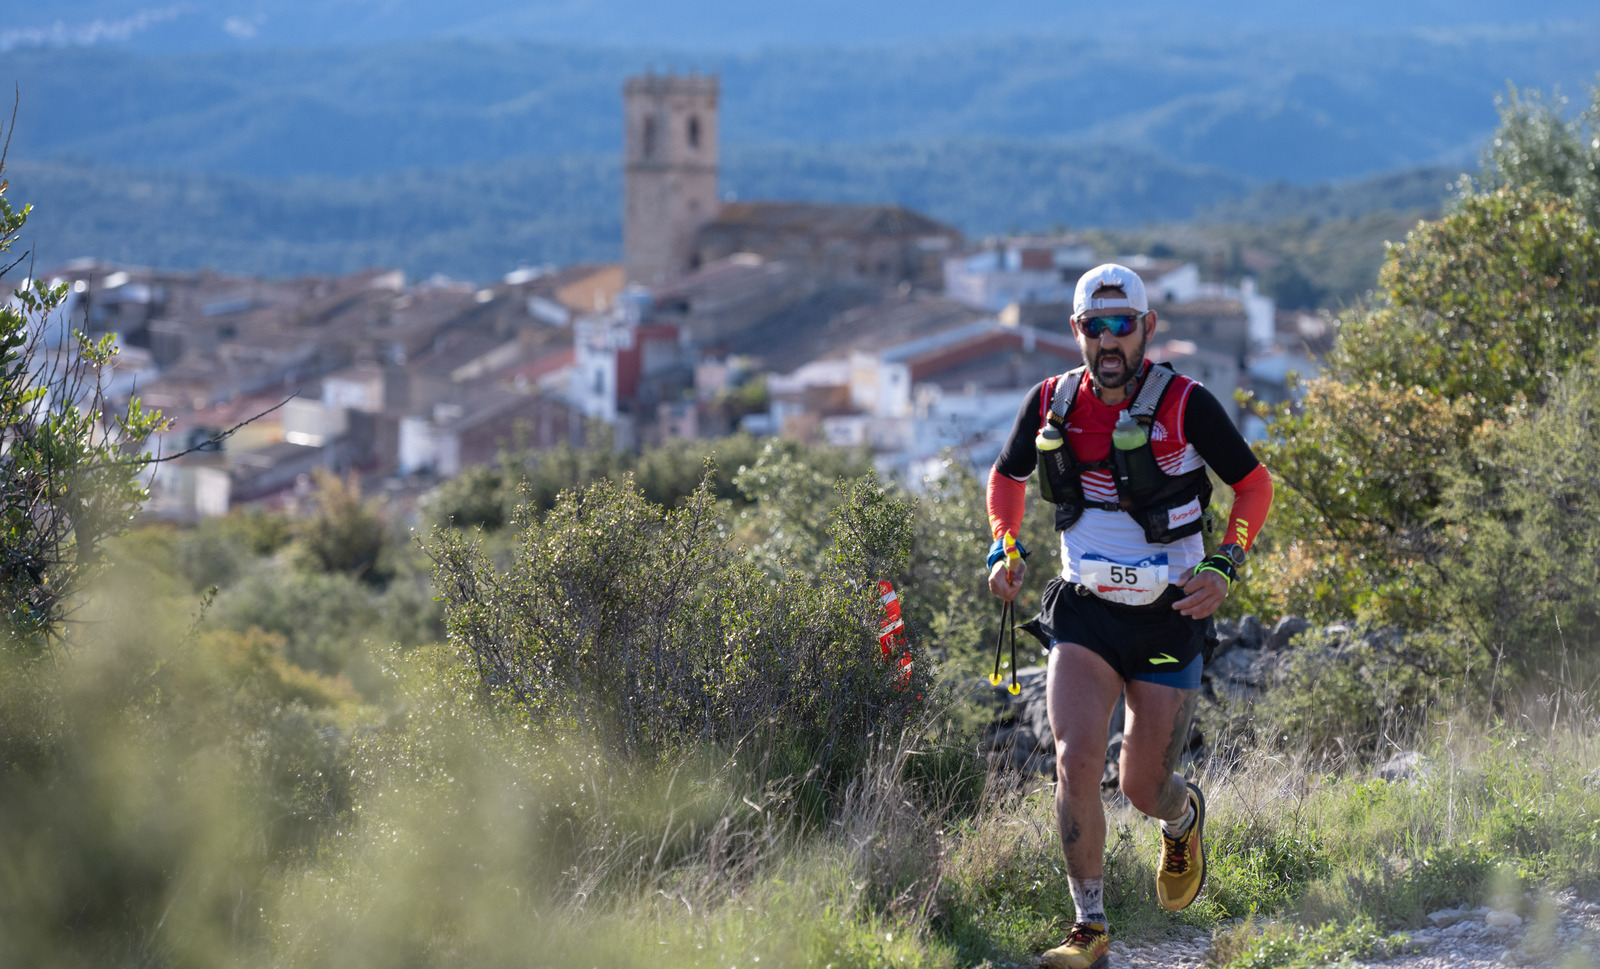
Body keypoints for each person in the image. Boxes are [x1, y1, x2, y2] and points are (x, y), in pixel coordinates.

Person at [985, 264, 1274, 969]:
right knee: (1075, 759)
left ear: (1147, 327)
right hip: (1085, 613)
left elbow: (1253, 484)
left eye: (1122, 325)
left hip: (1170, 615)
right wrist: (1004, 545)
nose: (1108, 340)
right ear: (1077, 330)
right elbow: (1006, 477)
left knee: (1143, 786)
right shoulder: (1050, 402)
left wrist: (1224, 563)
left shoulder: (1186, 403)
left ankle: (1182, 816)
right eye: (1095, 326)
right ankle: (1089, 927)